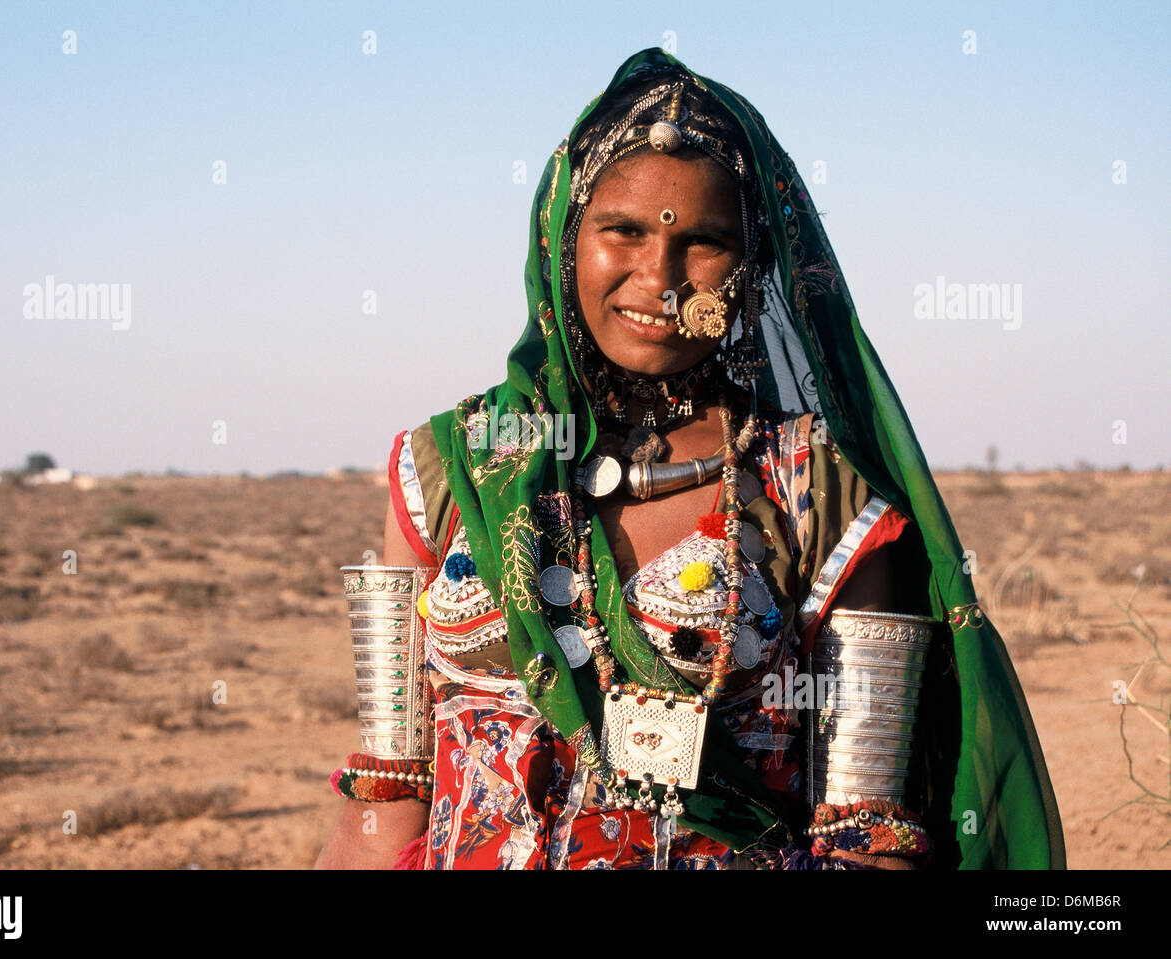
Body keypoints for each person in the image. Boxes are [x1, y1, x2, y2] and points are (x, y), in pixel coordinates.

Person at [315, 48, 1065, 870]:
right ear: (566, 241)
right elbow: (391, 783)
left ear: (750, 270)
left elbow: (866, 839)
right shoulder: (452, 465)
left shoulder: (816, 493)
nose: (661, 278)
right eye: (624, 231)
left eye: (703, 242)